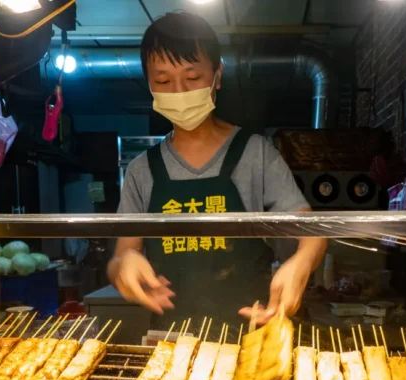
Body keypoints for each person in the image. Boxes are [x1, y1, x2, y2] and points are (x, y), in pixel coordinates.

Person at [107, 12, 327, 329]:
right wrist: (123, 266)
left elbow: (314, 234)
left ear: (217, 76)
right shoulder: (143, 170)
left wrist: (301, 263)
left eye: (193, 78)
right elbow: (119, 259)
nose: (179, 91)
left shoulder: (255, 154)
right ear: (150, 85)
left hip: (249, 335)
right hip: (172, 346)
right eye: (164, 80)